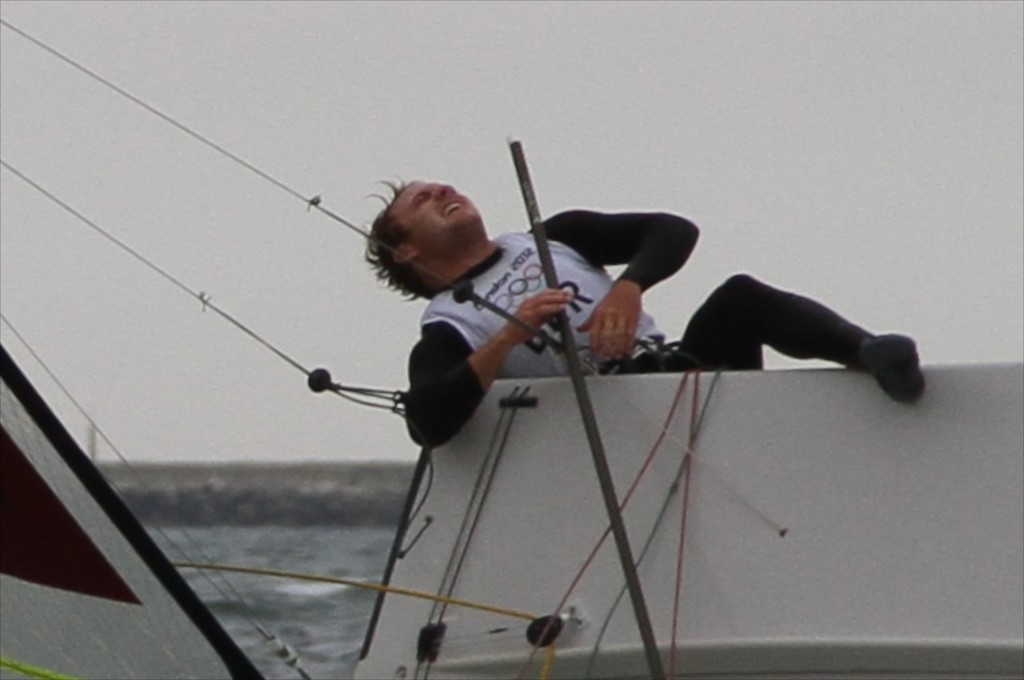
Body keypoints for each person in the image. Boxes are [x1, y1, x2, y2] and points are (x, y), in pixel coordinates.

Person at [366, 181, 925, 447]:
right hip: (619, 430)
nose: (441, 189)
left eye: (440, 185)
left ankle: (869, 353)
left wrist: (629, 287)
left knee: (739, 298)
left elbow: (673, 229)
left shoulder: (553, 238)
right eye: (420, 201)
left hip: (676, 373)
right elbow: (427, 421)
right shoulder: (449, 325)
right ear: (408, 251)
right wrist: (508, 337)